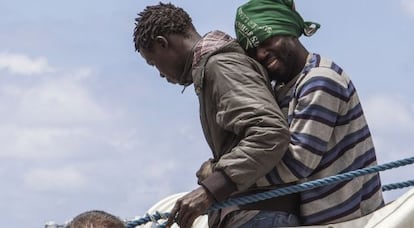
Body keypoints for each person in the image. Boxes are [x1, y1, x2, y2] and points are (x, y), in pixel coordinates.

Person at [133, 2, 301, 228]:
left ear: (162, 43)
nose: (160, 74)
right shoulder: (213, 67)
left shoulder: (221, 66)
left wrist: (211, 189)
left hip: (258, 214)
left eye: (154, 63)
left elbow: (270, 133)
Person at [234, 0, 385, 225]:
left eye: (265, 41)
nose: (261, 54)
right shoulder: (284, 89)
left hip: (349, 220)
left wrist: (227, 177)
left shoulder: (320, 80)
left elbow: (297, 163)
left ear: (288, 31)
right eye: (253, 50)